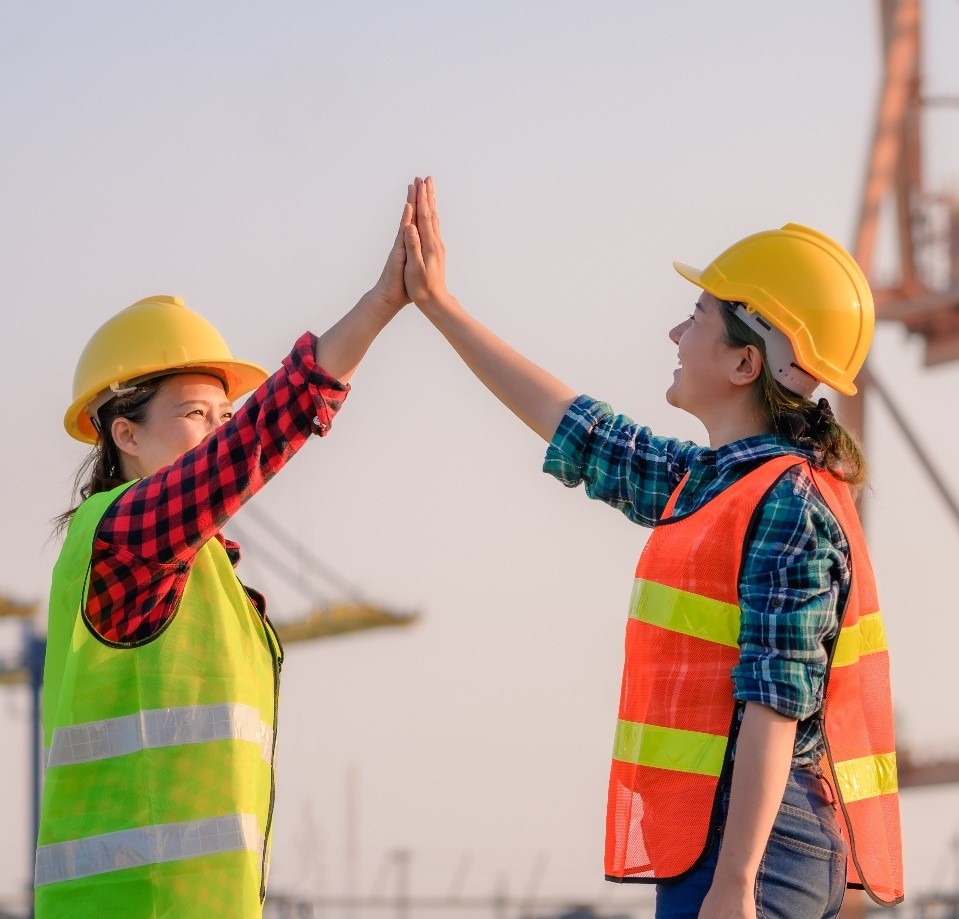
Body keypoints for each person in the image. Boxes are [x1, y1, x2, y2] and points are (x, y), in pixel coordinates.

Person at [400, 177, 904, 918]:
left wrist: (736, 884)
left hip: (756, 847)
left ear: (745, 363)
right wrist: (439, 305)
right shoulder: (710, 484)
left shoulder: (783, 503)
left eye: (696, 316)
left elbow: (774, 704)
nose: (674, 334)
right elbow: (576, 424)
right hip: (726, 836)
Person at [36, 196, 414, 918]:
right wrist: (378, 305)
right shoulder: (125, 541)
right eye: (191, 415)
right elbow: (257, 442)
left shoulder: (203, 568)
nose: (214, 435)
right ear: (126, 433)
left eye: (221, 416)